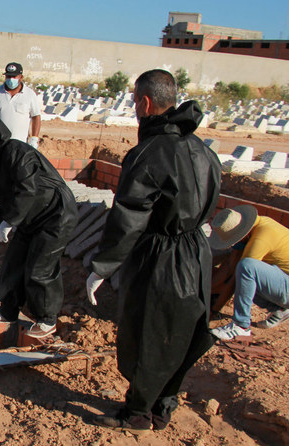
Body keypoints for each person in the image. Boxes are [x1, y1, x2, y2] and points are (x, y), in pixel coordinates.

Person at [86, 69, 221, 433]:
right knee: (181, 333)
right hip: (196, 251)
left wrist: (102, 266)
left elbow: (129, 215)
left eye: (133, 100)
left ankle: (137, 414)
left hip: (161, 256)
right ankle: (163, 406)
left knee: (147, 332)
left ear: (145, 103)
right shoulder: (202, 150)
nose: (132, 107)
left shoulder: (148, 152)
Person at [0, 124, 78, 338]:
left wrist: (11, 221)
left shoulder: (16, 152)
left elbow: (27, 190)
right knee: (15, 260)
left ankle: (47, 320)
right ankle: (8, 311)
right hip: (32, 214)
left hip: (55, 214)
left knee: (41, 266)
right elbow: (5, 200)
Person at [209, 205, 289, 341]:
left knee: (246, 268)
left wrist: (213, 312)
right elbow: (230, 267)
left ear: (242, 233)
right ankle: (280, 310)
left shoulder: (261, 238)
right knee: (246, 275)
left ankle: (241, 326)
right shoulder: (257, 226)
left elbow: (234, 280)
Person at [0, 62, 41, 215]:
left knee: (17, 176)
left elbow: (36, 117)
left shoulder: (29, 95)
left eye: (14, 76)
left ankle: (13, 209)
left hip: (20, 144)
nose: (10, 79)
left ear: (21, 77)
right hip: (0, 143)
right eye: (8, 76)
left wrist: (34, 138)